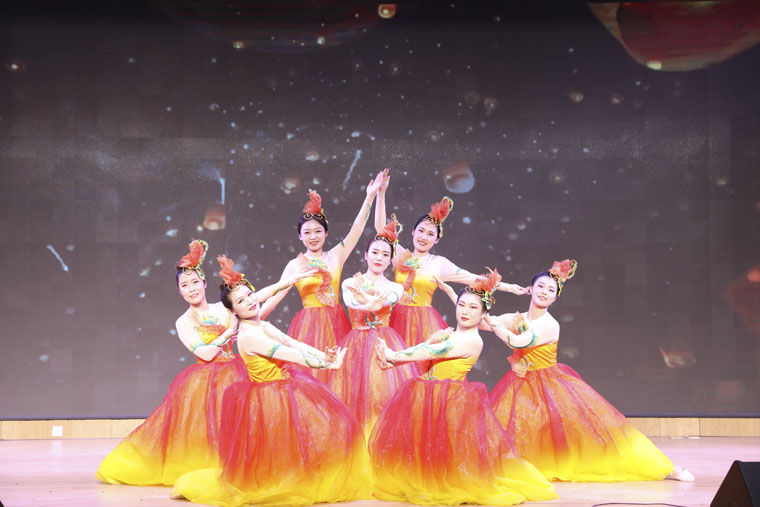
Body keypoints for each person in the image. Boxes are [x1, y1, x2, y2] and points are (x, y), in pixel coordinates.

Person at [97, 240, 306, 486]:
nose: (191, 288)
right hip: (207, 381)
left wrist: (287, 282)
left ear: (204, 283)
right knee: (210, 428)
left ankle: (241, 467)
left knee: (242, 424)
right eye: (185, 285)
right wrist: (228, 333)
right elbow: (206, 354)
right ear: (179, 291)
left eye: (195, 282)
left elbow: (256, 296)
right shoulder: (184, 321)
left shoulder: (223, 309)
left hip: (237, 373)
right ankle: (213, 469)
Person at [171, 256, 371, 506]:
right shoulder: (248, 335)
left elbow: (293, 343)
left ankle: (291, 477)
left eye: (249, 295)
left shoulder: (260, 325)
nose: (250, 301)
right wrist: (327, 364)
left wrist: (325, 355)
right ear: (233, 312)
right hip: (269, 396)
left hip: (281, 387)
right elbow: (289, 354)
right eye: (241, 301)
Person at [486, 260, 695, 482]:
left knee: (596, 430)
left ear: (555, 298)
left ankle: (664, 467)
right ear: (530, 289)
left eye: (551, 290)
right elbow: (482, 321)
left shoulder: (549, 324)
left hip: (548, 384)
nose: (544, 292)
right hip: (521, 383)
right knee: (519, 427)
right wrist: (483, 295)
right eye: (540, 286)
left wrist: (491, 320)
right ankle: (520, 467)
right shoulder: (517, 318)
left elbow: (518, 342)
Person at [371, 270, 557, 506]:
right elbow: (426, 348)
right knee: (425, 447)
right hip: (429, 393)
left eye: (473, 308)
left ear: (483, 314)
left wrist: (394, 356)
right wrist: (393, 361)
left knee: (445, 451)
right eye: (462, 305)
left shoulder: (471, 340)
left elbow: (432, 351)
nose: (465, 311)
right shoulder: (451, 333)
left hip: (448, 400)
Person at [374, 170, 526, 348]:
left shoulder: (439, 263)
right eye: (421, 231)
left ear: (437, 240)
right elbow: (381, 229)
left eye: (430, 234)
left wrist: (509, 287)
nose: (424, 237)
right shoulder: (400, 255)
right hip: (395, 318)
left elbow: (475, 279)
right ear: (413, 232)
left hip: (423, 324)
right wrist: (381, 193)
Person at [266, 174, 384, 383]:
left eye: (318, 231)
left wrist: (370, 196)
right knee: (309, 379)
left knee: (338, 378)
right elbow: (274, 299)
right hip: (308, 327)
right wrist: (247, 321)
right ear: (300, 236)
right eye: (307, 232)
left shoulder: (336, 256)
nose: (313, 236)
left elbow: (356, 229)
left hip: (337, 322)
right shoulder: (294, 265)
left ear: (326, 233)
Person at [328, 215, 419, 437]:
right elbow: (351, 302)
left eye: (385, 254)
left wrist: (369, 302)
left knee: (382, 396)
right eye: (375, 252)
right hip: (356, 344)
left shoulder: (396, 288)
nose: (379, 257)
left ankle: (380, 443)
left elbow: (386, 302)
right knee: (354, 397)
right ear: (366, 254)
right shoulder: (350, 283)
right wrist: (370, 304)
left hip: (383, 342)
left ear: (391, 260)